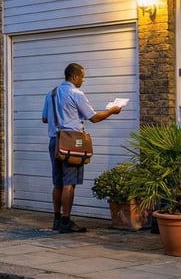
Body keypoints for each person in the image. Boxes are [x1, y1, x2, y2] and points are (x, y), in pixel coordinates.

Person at [41, 62, 121, 233]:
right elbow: (93, 117)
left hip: (54, 141)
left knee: (58, 182)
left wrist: (62, 117)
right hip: (71, 141)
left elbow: (44, 119)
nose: (83, 80)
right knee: (69, 183)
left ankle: (56, 219)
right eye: (82, 77)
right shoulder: (76, 93)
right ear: (75, 76)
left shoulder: (51, 94)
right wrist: (112, 111)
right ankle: (66, 222)